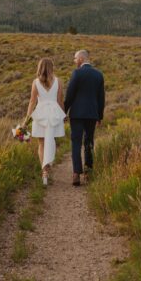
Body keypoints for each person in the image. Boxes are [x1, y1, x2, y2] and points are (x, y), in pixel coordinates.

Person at [63, 49, 105, 186]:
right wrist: (100, 116)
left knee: (76, 142)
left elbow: (70, 94)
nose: (74, 61)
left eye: (75, 58)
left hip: (77, 114)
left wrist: (64, 110)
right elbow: (101, 98)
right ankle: (88, 172)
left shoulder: (77, 73)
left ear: (81, 59)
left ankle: (76, 174)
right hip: (92, 114)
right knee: (89, 141)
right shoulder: (99, 75)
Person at [25, 57, 66, 186]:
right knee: (51, 140)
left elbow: (32, 101)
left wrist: (27, 119)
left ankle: (44, 172)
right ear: (51, 67)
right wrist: (63, 115)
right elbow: (60, 100)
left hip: (41, 114)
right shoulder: (58, 81)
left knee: (41, 143)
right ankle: (48, 166)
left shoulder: (35, 82)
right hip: (54, 113)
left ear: (39, 67)